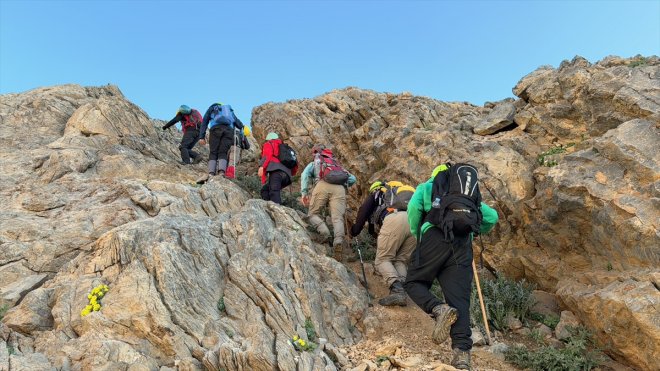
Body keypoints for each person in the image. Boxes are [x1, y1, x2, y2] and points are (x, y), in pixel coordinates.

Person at [405, 164, 498, 370]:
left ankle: (438, 308)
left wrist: (418, 232)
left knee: (413, 282)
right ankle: (462, 355)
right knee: (460, 301)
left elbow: (413, 208)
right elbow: (492, 217)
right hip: (462, 246)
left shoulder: (429, 187)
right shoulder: (467, 196)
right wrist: (471, 230)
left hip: (434, 237)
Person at [350, 180, 417, 306]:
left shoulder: (378, 192)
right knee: (400, 260)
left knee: (382, 260)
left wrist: (355, 230)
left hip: (395, 218)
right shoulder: (404, 196)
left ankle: (397, 290)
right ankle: (401, 290)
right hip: (414, 222)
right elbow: (371, 226)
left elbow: (364, 211)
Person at [300, 145, 356, 261]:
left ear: (315, 153)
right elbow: (352, 179)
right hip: (339, 189)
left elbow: (304, 175)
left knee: (312, 214)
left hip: (322, 185)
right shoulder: (336, 165)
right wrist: (344, 186)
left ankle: (325, 232)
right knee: (337, 218)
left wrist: (304, 192)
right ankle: (338, 241)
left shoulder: (316, 162)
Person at [197, 102, 244, 182]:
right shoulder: (229, 111)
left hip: (215, 129)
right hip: (228, 131)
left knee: (213, 152)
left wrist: (202, 136)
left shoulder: (211, 108)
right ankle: (221, 172)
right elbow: (239, 125)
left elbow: (204, 122)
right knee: (223, 152)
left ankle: (211, 173)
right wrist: (242, 136)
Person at [258, 132, 298, 204]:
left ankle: (277, 210)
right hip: (287, 177)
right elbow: (295, 163)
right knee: (265, 190)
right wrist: (291, 174)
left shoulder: (269, 144)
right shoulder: (286, 149)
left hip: (277, 173)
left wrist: (262, 167)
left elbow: (268, 156)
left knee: (274, 192)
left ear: (268, 139)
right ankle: (269, 208)